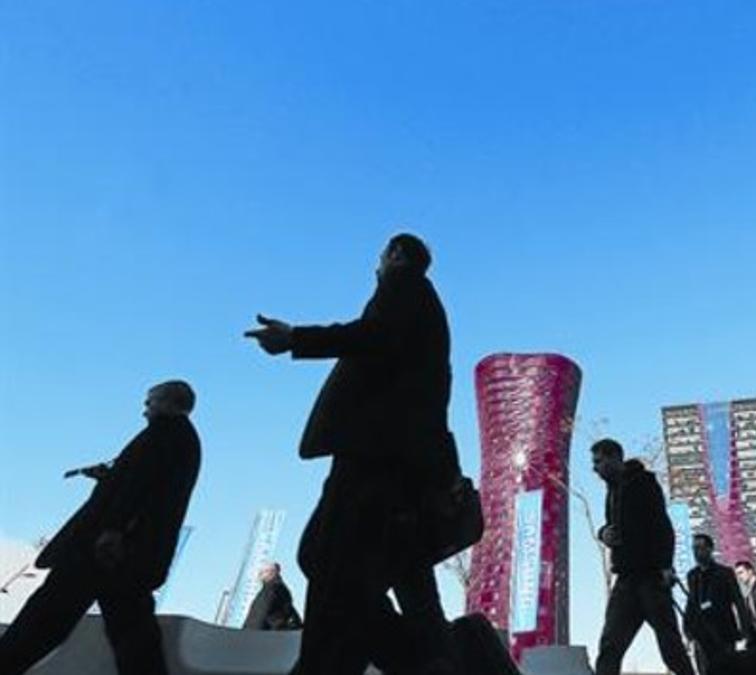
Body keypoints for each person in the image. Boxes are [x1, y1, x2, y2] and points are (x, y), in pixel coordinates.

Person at [246, 233, 461, 675]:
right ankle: (424, 658)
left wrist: (294, 339)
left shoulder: (403, 286)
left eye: (381, 256)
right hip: (397, 459)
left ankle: (413, 659)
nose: (377, 265)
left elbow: (373, 335)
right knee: (357, 568)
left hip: (375, 456)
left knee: (331, 562)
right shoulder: (425, 309)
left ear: (396, 254)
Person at [0, 381, 201, 675]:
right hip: (131, 556)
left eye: (150, 402)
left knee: (46, 618)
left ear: (169, 402)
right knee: (133, 635)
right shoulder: (182, 440)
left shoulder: (162, 435)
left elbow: (138, 486)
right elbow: (149, 489)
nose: (145, 409)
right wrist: (109, 478)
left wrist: (113, 529)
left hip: (104, 551)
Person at [590, 438, 696, 675]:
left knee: (671, 647)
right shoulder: (612, 491)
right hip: (625, 580)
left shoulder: (643, 483)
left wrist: (666, 566)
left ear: (615, 457)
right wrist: (603, 533)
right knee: (610, 646)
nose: (594, 468)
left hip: (651, 577)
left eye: (598, 461)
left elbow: (662, 525)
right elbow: (611, 527)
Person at [684, 534, 749, 675]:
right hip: (702, 634)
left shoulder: (724, 573)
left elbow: (738, 601)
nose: (696, 552)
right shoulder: (692, 576)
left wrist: (745, 629)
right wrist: (687, 629)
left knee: (728, 669)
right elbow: (691, 602)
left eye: (700, 547)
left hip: (724, 632)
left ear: (710, 549)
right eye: (694, 548)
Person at [242, 562, 302, 631]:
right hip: (268, 635)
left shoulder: (266, 592)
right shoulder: (277, 590)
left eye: (264, 572)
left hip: (251, 634)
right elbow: (287, 613)